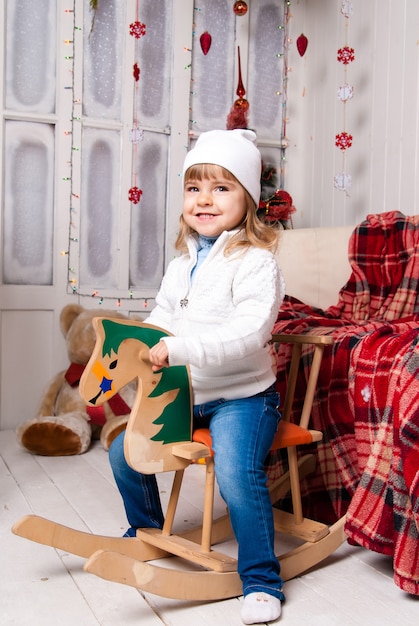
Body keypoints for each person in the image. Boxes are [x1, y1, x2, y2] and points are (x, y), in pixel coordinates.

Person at [109, 129, 286, 624]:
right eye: (194, 188)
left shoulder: (255, 262)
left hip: (242, 398)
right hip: (189, 393)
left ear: (248, 199)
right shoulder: (181, 262)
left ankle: (261, 580)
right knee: (125, 452)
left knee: (235, 473)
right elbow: (163, 316)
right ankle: (146, 532)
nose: (204, 199)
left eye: (221, 188)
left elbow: (248, 333)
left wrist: (179, 348)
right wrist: (139, 343)